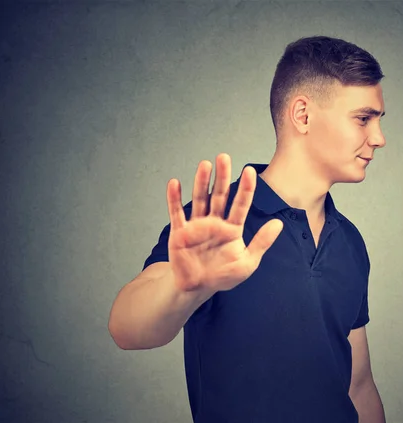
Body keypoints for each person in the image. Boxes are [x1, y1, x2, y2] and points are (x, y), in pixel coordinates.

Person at [108, 35, 387, 423]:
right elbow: (126, 329)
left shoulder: (350, 242)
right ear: (303, 115)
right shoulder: (215, 224)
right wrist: (186, 285)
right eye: (363, 118)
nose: (379, 138)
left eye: (378, 120)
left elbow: (359, 385)